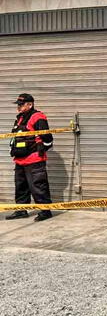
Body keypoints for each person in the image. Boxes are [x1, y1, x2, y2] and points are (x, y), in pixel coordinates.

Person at [5, 93, 54, 222]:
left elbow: (48, 139)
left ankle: (45, 211)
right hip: (20, 159)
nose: (18, 107)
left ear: (30, 104)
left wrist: (40, 150)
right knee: (20, 186)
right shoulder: (20, 118)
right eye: (18, 105)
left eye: (21, 105)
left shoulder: (38, 117)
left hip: (34, 159)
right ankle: (21, 210)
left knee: (38, 186)